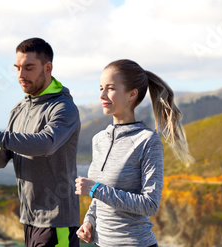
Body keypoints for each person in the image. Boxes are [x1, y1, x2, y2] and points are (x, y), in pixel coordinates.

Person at [0, 37, 81, 247]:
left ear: (48, 68)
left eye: (28, 67)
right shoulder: (19, 109)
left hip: (57, 221)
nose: (21, 75)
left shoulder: (63, 108)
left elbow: (45, 144)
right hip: (28, 220)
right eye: (17, 68)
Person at [75, 59, 193, 246]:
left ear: (132, 94)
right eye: (101, 88)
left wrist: (96, 189)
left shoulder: (147, 141)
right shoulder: (98, 140)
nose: (102, 95)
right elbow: (99, 198)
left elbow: (150, 204)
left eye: (110, 88)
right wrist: (90, 221)